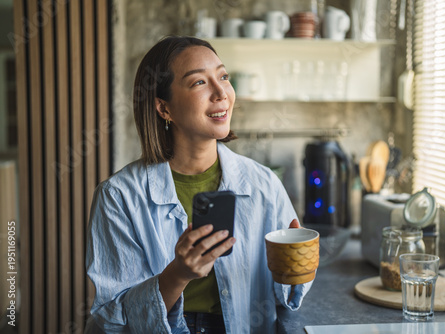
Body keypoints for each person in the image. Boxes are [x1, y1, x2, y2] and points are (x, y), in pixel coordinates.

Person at [85, 36, 313, 334]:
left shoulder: (264, 184)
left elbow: (285, 300)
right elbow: (108, 321)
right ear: (164, 109)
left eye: (223, 76)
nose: (221, 93)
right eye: (198, 83)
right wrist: (177, 275)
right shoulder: (118, 197)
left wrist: (294, 271)